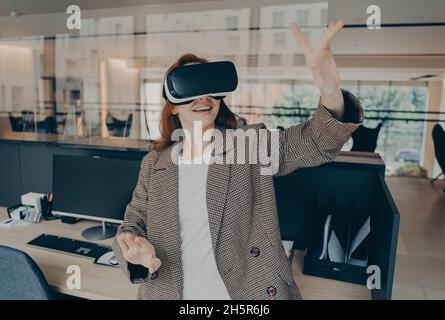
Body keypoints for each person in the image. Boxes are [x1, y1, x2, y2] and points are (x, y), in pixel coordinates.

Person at [113, 20, 364, 300]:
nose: (203, 97)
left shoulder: (250, 146)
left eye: (210, 87)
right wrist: (134, 251)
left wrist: (331, 93)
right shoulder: (154, 164)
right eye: (190, 89)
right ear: (172, 105)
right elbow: (131, 224)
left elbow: (317, 143)